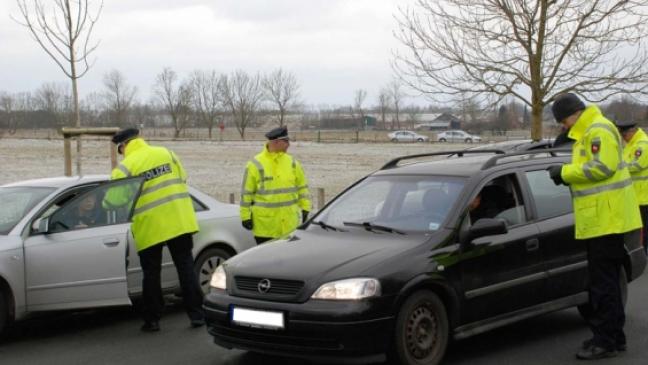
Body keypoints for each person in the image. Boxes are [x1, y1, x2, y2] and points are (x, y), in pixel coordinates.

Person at [547, 93, 641, 360]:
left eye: (563, 121)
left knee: (603, 285)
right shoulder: (590, 130)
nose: (563, 126)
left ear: (574, 113)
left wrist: (564, 173)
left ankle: (605, 341)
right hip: (604, 218)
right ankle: (613, 336)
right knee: (607, 282)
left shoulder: (596, 129)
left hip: (607, 219)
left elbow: (602, 167)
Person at [106, 127, 204, 332]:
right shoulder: (166, 153)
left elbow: (112, 201)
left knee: (151, 274)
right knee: (186, 268)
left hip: (150, 227)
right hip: (179, 221)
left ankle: (153, 320)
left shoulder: (125, 168)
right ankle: (197, 315)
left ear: (123, 146)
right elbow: (182, 178)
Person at [240, 126, 311, 244]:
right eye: (286, 141)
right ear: (277, 142)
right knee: (267, 262)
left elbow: (302, 188)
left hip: (290, 227)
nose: (289, 145)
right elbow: (246, 193)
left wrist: (305, 208)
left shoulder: (293, 163)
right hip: (265, 228)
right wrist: (245, 216)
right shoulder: (254, 164)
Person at [615, 119, 648, 254]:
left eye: (624, 135)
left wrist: (615, 167)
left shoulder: (642, 145)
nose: (623, 138)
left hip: (643, 197)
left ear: (632, 131)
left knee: (642, 231)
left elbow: (635, 165)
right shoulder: (631, 144)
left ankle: (643, 255)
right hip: (634, 196)